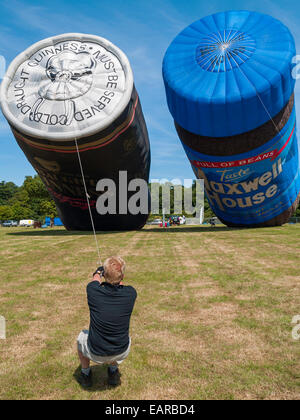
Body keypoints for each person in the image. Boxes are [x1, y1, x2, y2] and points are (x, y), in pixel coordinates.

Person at [77, 256, 137, 388]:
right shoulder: (131, 293)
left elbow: (95, 280)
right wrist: (114, 276)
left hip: (95, 351)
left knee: (81, 336)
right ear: (122, 276)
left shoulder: (92, 291)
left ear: (105, 274)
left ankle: (86, 374)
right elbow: (118, 284)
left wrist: (98, 272)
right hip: (121, 349)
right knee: (121, 336)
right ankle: (113, 372)